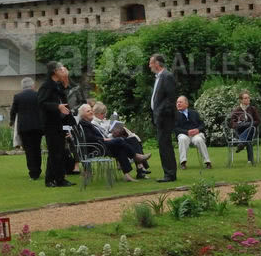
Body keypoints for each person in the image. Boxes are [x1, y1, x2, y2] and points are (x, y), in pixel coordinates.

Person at [77, 104, 151, 181]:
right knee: (120, 140)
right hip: (97, 148)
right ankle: (136, 157)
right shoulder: (83, 123)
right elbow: (89, 138)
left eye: (91, 110)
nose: (91, 112)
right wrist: (104, 139)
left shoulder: (86, 123)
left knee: (123, 146)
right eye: (88, 111)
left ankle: (127, 175)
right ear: (83, 114)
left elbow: (92, 137)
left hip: (100, 145)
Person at [37, 61, 74, 188]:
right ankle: (50, 180)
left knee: (60, 152)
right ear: (55, 72)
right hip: (51, 124)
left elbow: (65, 96)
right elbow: (41, 103)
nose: (64, 70)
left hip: (60, 123)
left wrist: (65, 80)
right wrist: (57, 106)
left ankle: (60, 179)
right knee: (54, 152)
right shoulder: (46, 86)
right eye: (61, 69)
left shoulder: (57, 85)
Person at [149, 53, 178, 182]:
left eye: (151, 62)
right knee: (163, 145)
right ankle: (169, 173)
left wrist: (160, 112)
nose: (149, 65)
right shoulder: (159, 77)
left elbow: (171, 99)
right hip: (159, 116)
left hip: (165, 117)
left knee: (165, 145)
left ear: (157, 63)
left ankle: (170, 174)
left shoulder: (167, 76)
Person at [10, 77, 43, 180]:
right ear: (33, 86)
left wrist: (11, 121)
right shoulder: (38, 95)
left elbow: (13, 111)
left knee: (29, 150)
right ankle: (38, 169)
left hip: (24, 127)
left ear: (22, 86)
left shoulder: (18, 97)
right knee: (37, 148)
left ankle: (33, 172)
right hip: (37, 126)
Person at [174, 95, 211, 169]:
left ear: (186, 104)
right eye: (177, 102)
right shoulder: (175, 115)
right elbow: (175, 128)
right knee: (182, 139)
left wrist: (198, 130)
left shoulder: (194, 113)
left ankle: (207, 162)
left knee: (199, 139)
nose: (178, 104)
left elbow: (202, 125)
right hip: (184, 134)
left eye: (180, 102)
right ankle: (183, 163)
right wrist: (187, 132)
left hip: (196, 134)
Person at [229, 90, 260, 165]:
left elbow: (258, 121)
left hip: (251, 130)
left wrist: (249, 123)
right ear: (241, 100)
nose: (248, 99)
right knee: (248, 138)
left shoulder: (252, 109)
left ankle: (241, 143)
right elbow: (232, 123)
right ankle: (250, 160)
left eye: (248, 98)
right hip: (240, 131)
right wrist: (240, 124)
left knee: (251, 128)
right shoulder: (237, 110)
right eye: (245, 98)